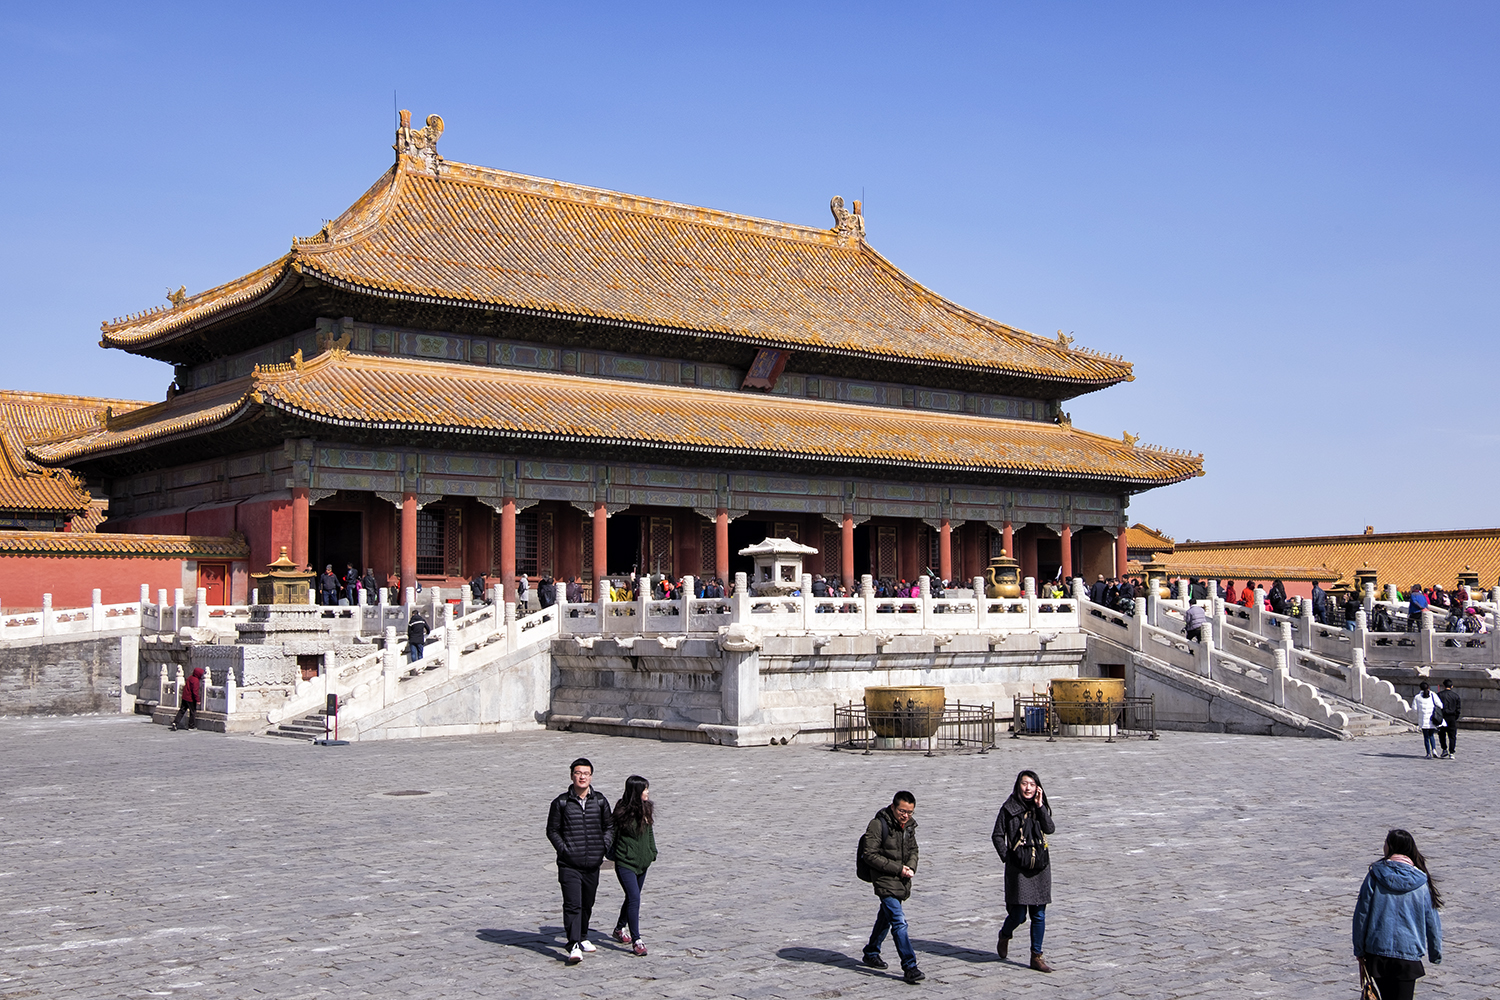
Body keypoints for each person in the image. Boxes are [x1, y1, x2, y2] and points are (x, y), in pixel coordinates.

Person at [1352, 828, 1442, 1000]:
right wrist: (1435, 953)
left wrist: (1359, 949)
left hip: (1377, 954)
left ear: (1390, 847)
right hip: (1408, 956)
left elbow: (1361, 914)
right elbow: (1432, 921)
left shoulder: (1374, 875)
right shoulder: (1421, 882)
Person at [546, 758, 614, 965]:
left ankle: (583, 936)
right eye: (578, 773)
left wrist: (603, 847)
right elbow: (552, 830)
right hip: (569, 863)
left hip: (593, 862)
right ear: (572, 776)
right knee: (573, 904)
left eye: (586, 773)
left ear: (591, 776)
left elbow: (609, 827)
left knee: (587, 903)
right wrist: (565, 850)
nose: (582, 776)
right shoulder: (561, 802)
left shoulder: (600, 801)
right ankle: (573, 943)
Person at [992, 769, 1055, 972]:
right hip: (1018, 869)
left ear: (1038, 788)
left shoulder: (1040, 807)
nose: (1028, 788)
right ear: (1018, 785)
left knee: (1039, 914)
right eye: (1024, 783)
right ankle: (1005, 934)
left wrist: (1040, 807)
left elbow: (1050, 828)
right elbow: (997, 835)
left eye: (1032, 784)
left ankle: (1036, 956)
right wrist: (1007, 856)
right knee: (1018, 914)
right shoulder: (1009, 808)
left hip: (1040, 867)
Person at [859, 791, 923, 984]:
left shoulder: (909, 826)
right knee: (899, 921)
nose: (906, 815)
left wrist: (911, 866)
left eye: (910, 812)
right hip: (884, 879)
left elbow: (913, 849)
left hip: (901, 878)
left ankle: (871, 951)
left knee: (885, 917)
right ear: (893, 807)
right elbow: (869, 854)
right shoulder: (878, 825)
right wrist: (898, 869)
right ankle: (910, 966)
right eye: (902, 811)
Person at [609, 775, 657, 957]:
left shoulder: (647, 809)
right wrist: (616, 856)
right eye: (645, 789)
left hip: (643, 862)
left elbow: (650, 833)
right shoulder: (621, 811)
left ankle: (619, 929)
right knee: (634, 897)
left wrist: (652, 852)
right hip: (625, 863)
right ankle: (637, 940)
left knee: (631, 897)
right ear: (636, 792)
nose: (648, 792)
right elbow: (611, 836)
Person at [1413, 682, 1444, 759]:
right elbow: (1440, 705)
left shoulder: (1417, 697)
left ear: (1420, 688)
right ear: (1429, 687)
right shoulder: (1433, 695)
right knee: (1431, 735)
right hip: (1432, 719)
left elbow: (1414, 709)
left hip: (1423, 719)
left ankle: (1428, 753)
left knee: (1426, 737)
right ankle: (1434, 749)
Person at [169, 665, 205, 731]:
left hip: (184, 697)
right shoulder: (195, 680)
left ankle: (175, 723)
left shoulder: (190, 678)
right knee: (192, 712)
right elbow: (194, 691)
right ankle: (191, 726)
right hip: (190, 698)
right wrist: (197, 700)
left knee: (182, 710)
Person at [1437, 679, 1461, 758]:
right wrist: (1455, 717)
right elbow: (1458, 708)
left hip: (1442, 717)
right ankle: (1452, 752)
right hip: (1452, 717)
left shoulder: (1439, 695)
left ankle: (1444, 749)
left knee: (1442, 734)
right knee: (1452, 735)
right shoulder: (1456, 696)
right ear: (1452, 686)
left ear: (1443, 686)